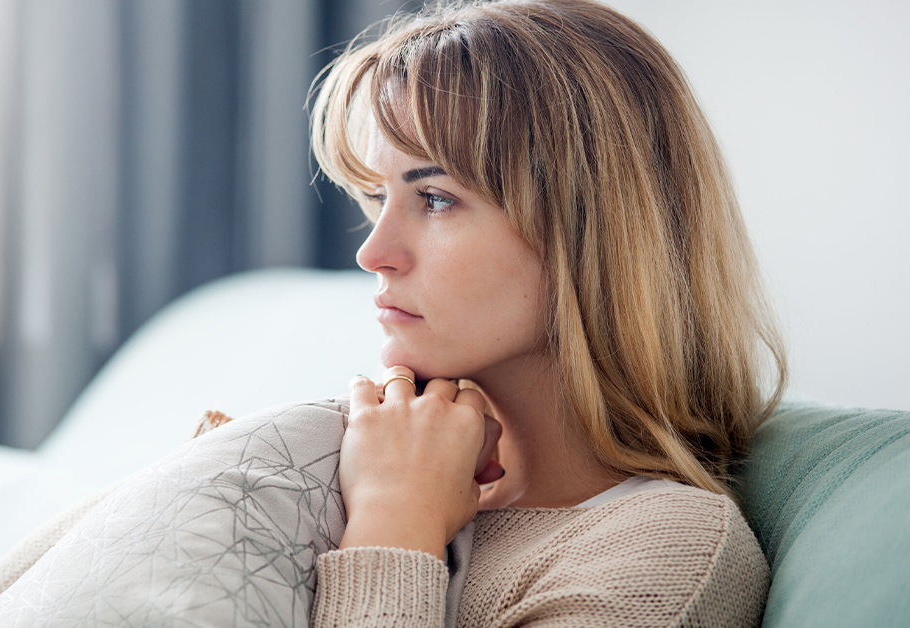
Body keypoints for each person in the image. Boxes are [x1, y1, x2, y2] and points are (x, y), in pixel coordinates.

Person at [306, 0, 787, 626]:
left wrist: (396, 515)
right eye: (378, 196)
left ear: (592, 228)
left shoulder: (662, 550)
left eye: (435, 198)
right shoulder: (351, 461)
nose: (374, 253)